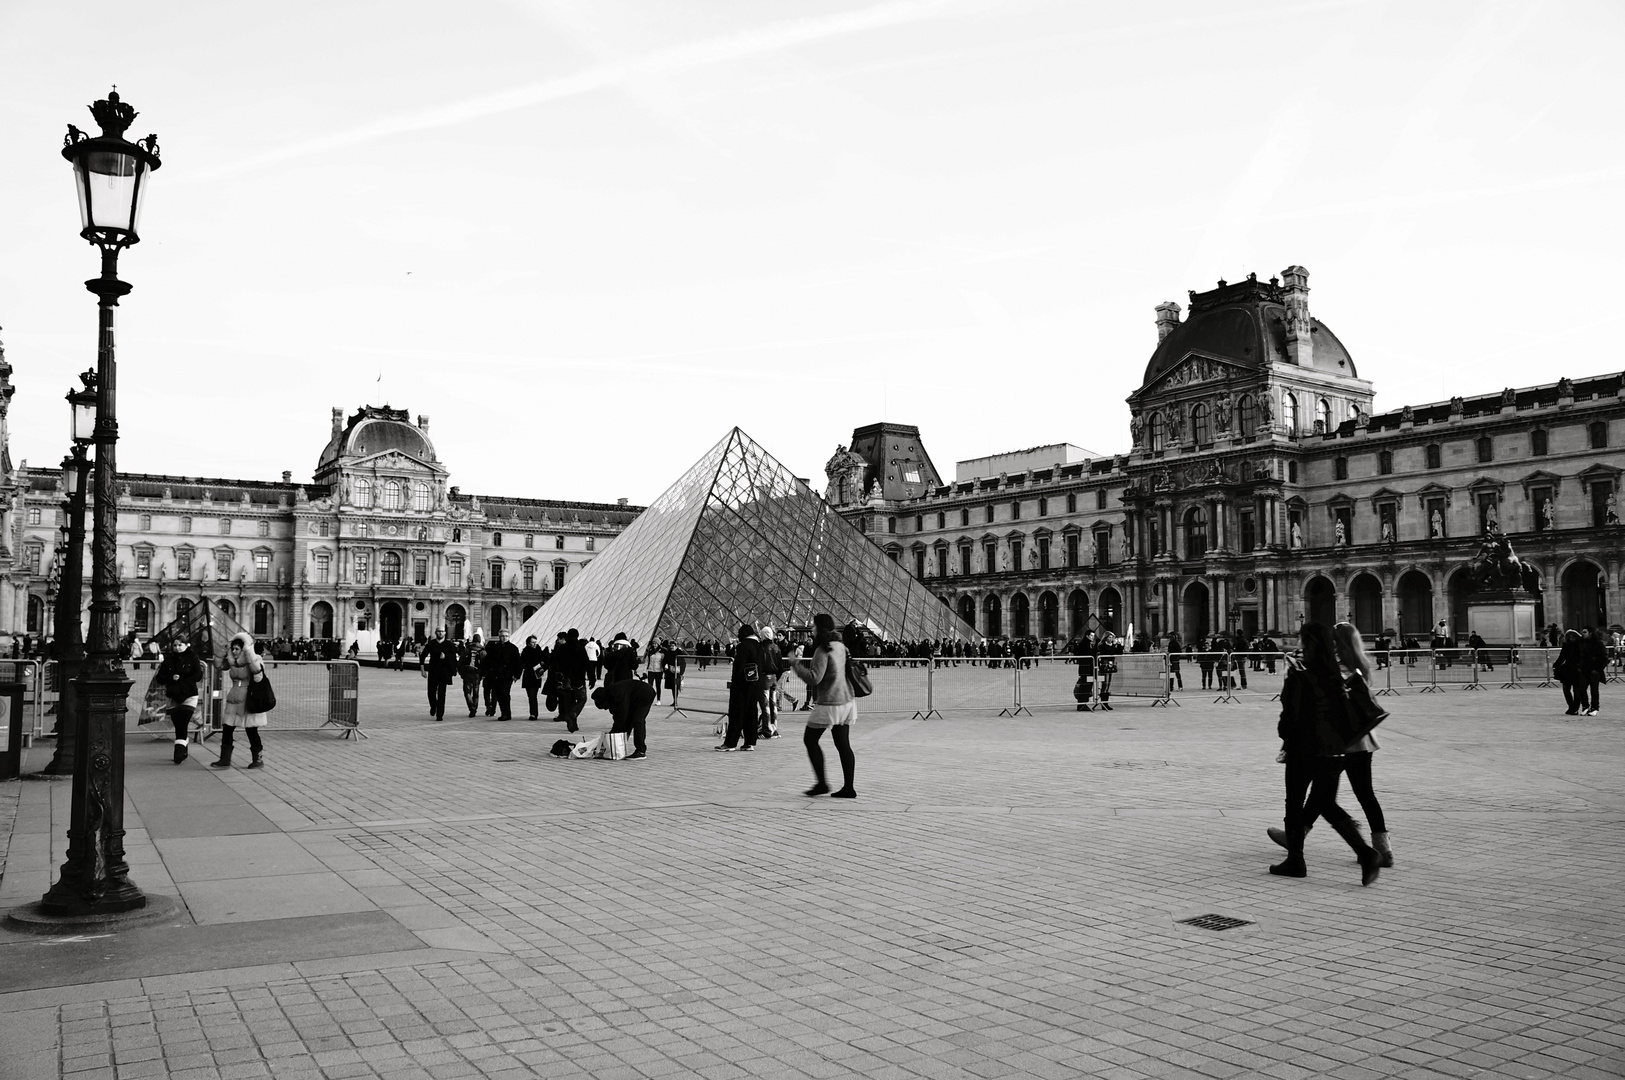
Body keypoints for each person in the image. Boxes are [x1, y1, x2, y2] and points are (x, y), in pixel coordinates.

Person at [1268, 622, 1382, 885]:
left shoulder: (1299, 671)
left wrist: (1286, 739)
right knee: (1325, 804)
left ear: (1307, 642)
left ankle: (1296, 859)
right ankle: (1366, 853)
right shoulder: (1338, 673)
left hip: (1304, 749)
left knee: (1295, 803)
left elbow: (1290, 713)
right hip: (1334, 752)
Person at [791, 613, 858, 797]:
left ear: (819, 628)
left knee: (810, 740)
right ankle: (848, 788)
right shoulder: (841, 647)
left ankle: (822, 783)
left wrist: (796, 666)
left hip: (829, 703)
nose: (811, 629)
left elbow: (814, 678)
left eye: (813, 626)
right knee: (843, 744)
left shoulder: (823, 649)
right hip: (847, 701)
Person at [212, 632, 271, 770]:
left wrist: (249, 652)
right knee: (227, 728)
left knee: (251, 730)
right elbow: (218, 665)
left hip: (249, 698)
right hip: (234, 698)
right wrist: (223, 650)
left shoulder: (255, 659)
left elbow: (257, 671)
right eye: (233, 649)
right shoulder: (233, 662)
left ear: (244, 648)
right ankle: (224, 759)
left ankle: (258, 758)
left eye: (237, 649)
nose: (234, 651)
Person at [154, 636, 204, 763]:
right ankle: (184, 747)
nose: (177, 648)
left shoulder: (193, 657)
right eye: (175, 645)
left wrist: (182, 677)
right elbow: (160, 677)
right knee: (179, 725)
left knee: (183, 722)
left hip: (189, 695)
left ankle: (178, 753)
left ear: (187, 645)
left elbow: (198, 675)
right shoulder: (168, 659)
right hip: (173, 695)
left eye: (180, 645)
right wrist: (171, 677)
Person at [718, 623, 766, 752]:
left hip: (742, 684)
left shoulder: (743, 646)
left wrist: (734, 682)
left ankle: (730, 743)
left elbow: (739, 667)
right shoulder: (759, 646)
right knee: (751, 712)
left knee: (736, 712)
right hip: (755, 683)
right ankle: (749, 742)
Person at [591, 677, 654, 759]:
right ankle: (621, 745)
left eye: (605, 707)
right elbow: (619, 716)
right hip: (634, 697)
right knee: (629, 720)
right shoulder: (611, 695)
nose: (606, 709)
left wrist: (612, 735)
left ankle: (641, 751)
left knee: (638, 720)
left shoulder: (617, 693)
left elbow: (621, 716)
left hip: (645, 694)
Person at [418, 627, 459, 721]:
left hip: (444, 673)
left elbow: (454, 658)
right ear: (436, 632)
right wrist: (422, 670)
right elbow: (423, 656)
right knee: (431, 692)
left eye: (442, 631)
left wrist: (446, 657)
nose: (440, 633)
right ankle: (433, 706)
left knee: (441, 694)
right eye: (439, 631)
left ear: (445, 633)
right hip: (433, 671)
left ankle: (440, 714)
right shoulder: (431, 643)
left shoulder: (449, 645)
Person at [554, 629, 590, 733]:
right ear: (577, 635)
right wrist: (592, 677)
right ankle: (573, 714)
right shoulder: (580, 648)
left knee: (570, 702)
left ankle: (573, 724)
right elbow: (587, 663)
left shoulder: (562, 648)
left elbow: (555, 663)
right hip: (578, 680)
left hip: (566, 680)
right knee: (581, 699)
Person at [483, 628, 521, 721]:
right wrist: (487, 672)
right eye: (502, 636)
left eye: (506, 636)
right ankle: (504, 712)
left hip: (507, 675)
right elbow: (488, 660)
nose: (504, 638)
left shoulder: (513, 648)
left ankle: (506, 713)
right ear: (499, 637)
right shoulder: (495, 647)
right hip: (496, 675)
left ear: (509, 636)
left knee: (505, 693)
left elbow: (518, 663)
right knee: (499, 694)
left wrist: (516, 675)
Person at [758, 626, 783, 740]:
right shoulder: (776, 647)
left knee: (765, 705)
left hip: (764, 677)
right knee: (773, 704)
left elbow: (760, 664)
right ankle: (774, 728)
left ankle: (766, 730)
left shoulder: (762, 648)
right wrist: (776, 677)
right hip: (774, 677)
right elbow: (780, 665)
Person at [519, 634, 547, 720]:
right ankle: (533, 713)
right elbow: (521, 663)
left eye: (535, 642)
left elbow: (545, 662)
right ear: (528, 643)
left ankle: (534, 714)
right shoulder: (525, 651)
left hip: (536, 676)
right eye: (532, 642)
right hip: (528, 676)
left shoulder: (539, 651)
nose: (534, 644)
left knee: (532, 695)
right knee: (531, 696)